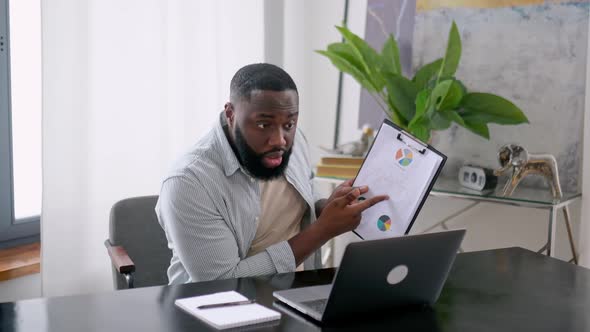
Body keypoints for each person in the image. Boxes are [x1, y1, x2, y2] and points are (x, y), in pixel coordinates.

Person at [156, 63, 388, 284]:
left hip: (295, 294)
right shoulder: (188, 182)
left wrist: (326, 206)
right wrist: (322, 230)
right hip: (215, 311)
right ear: (230, 113)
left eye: (289, 124)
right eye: (263, 124)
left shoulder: (293, 142)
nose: (279, 140)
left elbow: (305, 191)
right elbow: (221, 282)